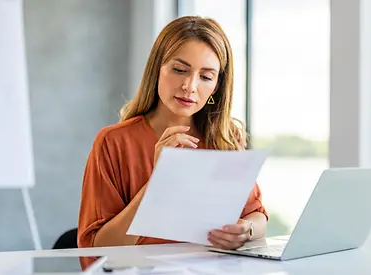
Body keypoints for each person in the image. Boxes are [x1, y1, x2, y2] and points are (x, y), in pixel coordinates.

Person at [77, 15, 268, 268]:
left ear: (217, 86)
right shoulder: (113, 142)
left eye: (206, 77)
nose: (190, 86)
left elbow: (256, 215)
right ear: (157, 68)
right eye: (180, 70)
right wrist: (159, 180)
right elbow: (98, 251)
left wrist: (246, 230)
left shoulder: (225, 137)